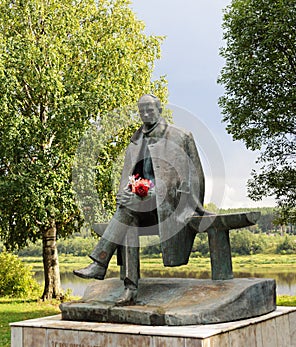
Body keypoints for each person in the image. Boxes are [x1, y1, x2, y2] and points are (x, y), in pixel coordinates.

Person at [74, 94, 205, 305]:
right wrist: (124, 192)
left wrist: (187, 204)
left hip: (170, 205)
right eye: (141, 110)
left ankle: (101, 265)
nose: (145, 114)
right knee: (128, 212)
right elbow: (130, 176)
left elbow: (196, 176)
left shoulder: (181, 136)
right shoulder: (135, 142)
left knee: (127, 211)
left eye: (149, 110)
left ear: (159, 110)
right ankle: (130, 288)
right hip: (140, 205)